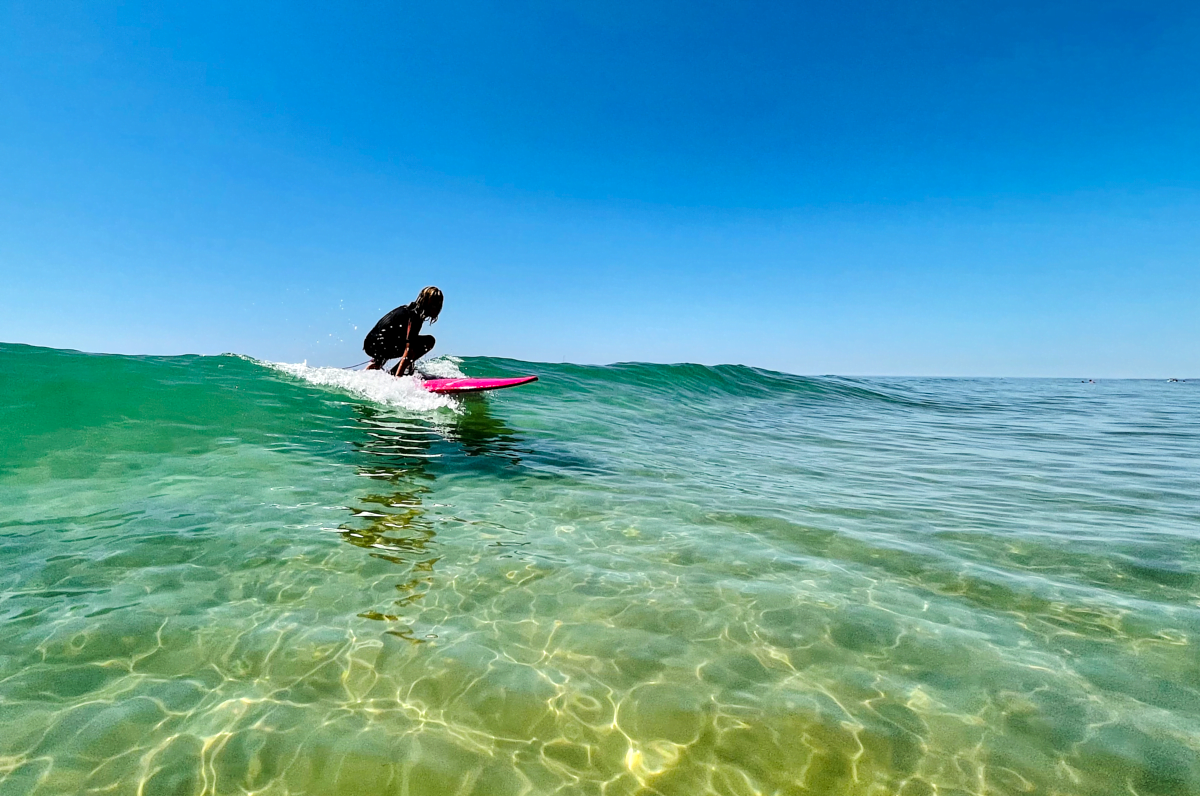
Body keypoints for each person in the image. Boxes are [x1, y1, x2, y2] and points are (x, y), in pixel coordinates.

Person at [363, 286, 444, 376]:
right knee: (429, 341)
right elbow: (409, 349)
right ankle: (394, 374)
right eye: (433, 304)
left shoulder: (409, 309)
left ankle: (374, 366)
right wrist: (398, 378)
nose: (437, 308)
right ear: (425, 302)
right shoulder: (415, 315)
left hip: (372, 344)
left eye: (439, 305)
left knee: (408, 342)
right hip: (379, 345)